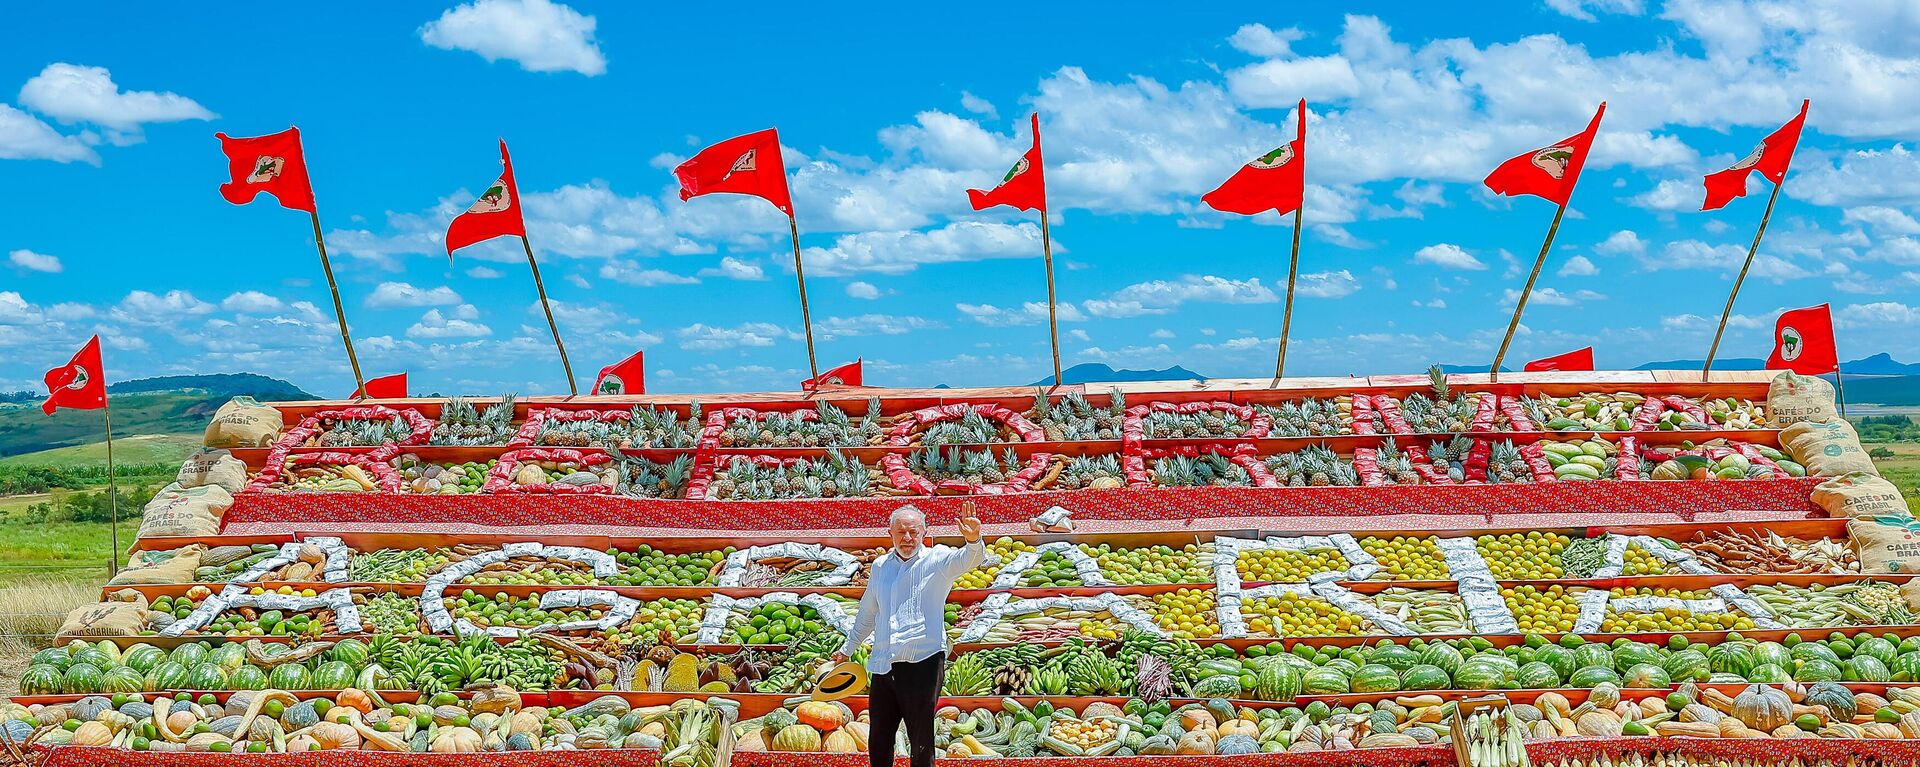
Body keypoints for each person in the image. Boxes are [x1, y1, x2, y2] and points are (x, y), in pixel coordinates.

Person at [833, 501, 984, 767]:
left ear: (924, 532)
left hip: (923, 663)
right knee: (879, 738)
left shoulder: (937, 559)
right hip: (883, 663)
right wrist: (848, 648)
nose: (907, 538)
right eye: (901, 532)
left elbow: (969, 559)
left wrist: (973, 540)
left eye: (914, 532)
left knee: (921, 740)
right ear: (890, 533)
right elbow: (868, 612)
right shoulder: (880, 566)